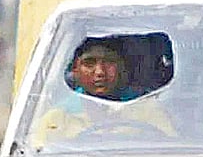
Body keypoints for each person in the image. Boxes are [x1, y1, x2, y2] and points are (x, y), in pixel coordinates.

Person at [31, 38, 174, 147]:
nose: (100, 72)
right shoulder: (57, 118)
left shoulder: (146, 110)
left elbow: (170, 150)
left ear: (122, 68)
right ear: (75, 70)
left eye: (109, 62)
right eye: (89, 63)